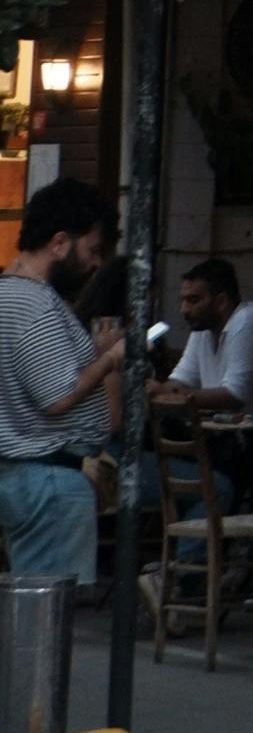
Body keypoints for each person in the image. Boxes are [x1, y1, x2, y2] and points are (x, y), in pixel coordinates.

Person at [0, 180, 123, 581]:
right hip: (47, 478)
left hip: (27, 474)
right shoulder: (35, 304)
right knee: (46, 617)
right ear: (58, 243)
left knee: (36, 611)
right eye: (91, 250)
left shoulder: (9, 295)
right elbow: (57, 395)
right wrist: (108, 359)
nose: (94, 265)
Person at [163, 258, 253, 421]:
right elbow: (180, 383)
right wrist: (153, 390)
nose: (184, 310)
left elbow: (235, 396)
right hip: (238, 431)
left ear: (221, 302)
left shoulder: (248, 321)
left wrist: (180, 396)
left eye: (193, 300)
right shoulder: (202, 329)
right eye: (183, 300)